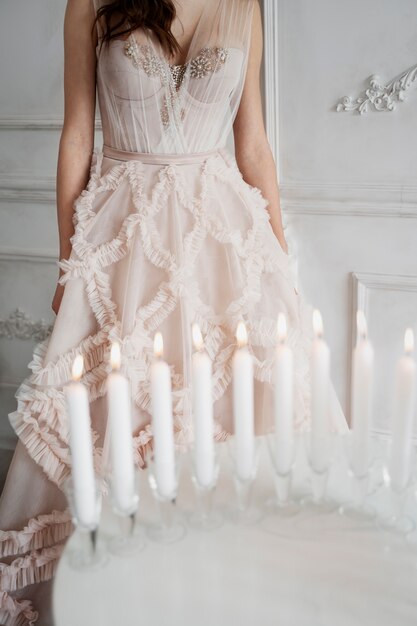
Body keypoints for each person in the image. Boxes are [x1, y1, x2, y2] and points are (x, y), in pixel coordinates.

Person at [0, 0, 348, 623]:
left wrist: (279, 266)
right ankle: (120, 588)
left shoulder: (244, 6)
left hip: (224, 238)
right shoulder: (90, 5)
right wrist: (67, 259)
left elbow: (255, 146)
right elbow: (78, 134)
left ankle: (222, 587)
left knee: (233, 419)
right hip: (123, 241)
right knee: (117, 413)